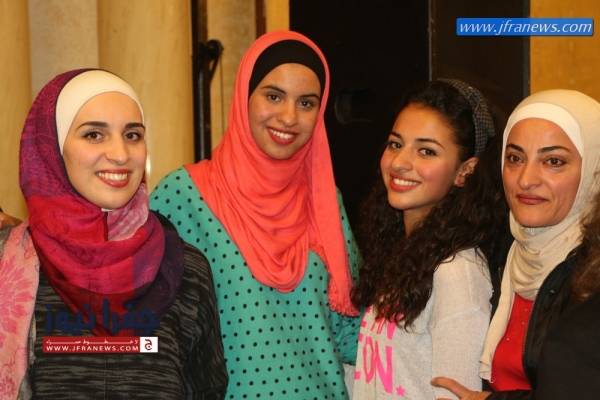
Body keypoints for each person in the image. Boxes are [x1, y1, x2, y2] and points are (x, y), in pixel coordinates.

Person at [150, 31, 361, 399]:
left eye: (306, 103)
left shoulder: (326, 201)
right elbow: (145, 324)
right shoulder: (183, 196)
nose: (289, 117)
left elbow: (350, 332)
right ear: (244, 95)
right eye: (273, 96)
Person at [0, 69, 227, 399]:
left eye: (133, 135)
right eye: (94, 135)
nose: (120, 154)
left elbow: (208, 390)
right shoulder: (9, 265)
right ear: (52, 148)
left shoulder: (184, 269)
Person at [432, 89, 600, 399]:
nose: (525, 179)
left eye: (553, 161)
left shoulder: (592, 276)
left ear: (594, 169)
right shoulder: (497, 249)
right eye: (515, 158)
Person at [351, 79, 509, 399]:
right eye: (395, 144)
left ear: (465, 170)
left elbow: (456, 393)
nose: (399, 162)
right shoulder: (397, 250)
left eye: (426, 151)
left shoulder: (457, 271)